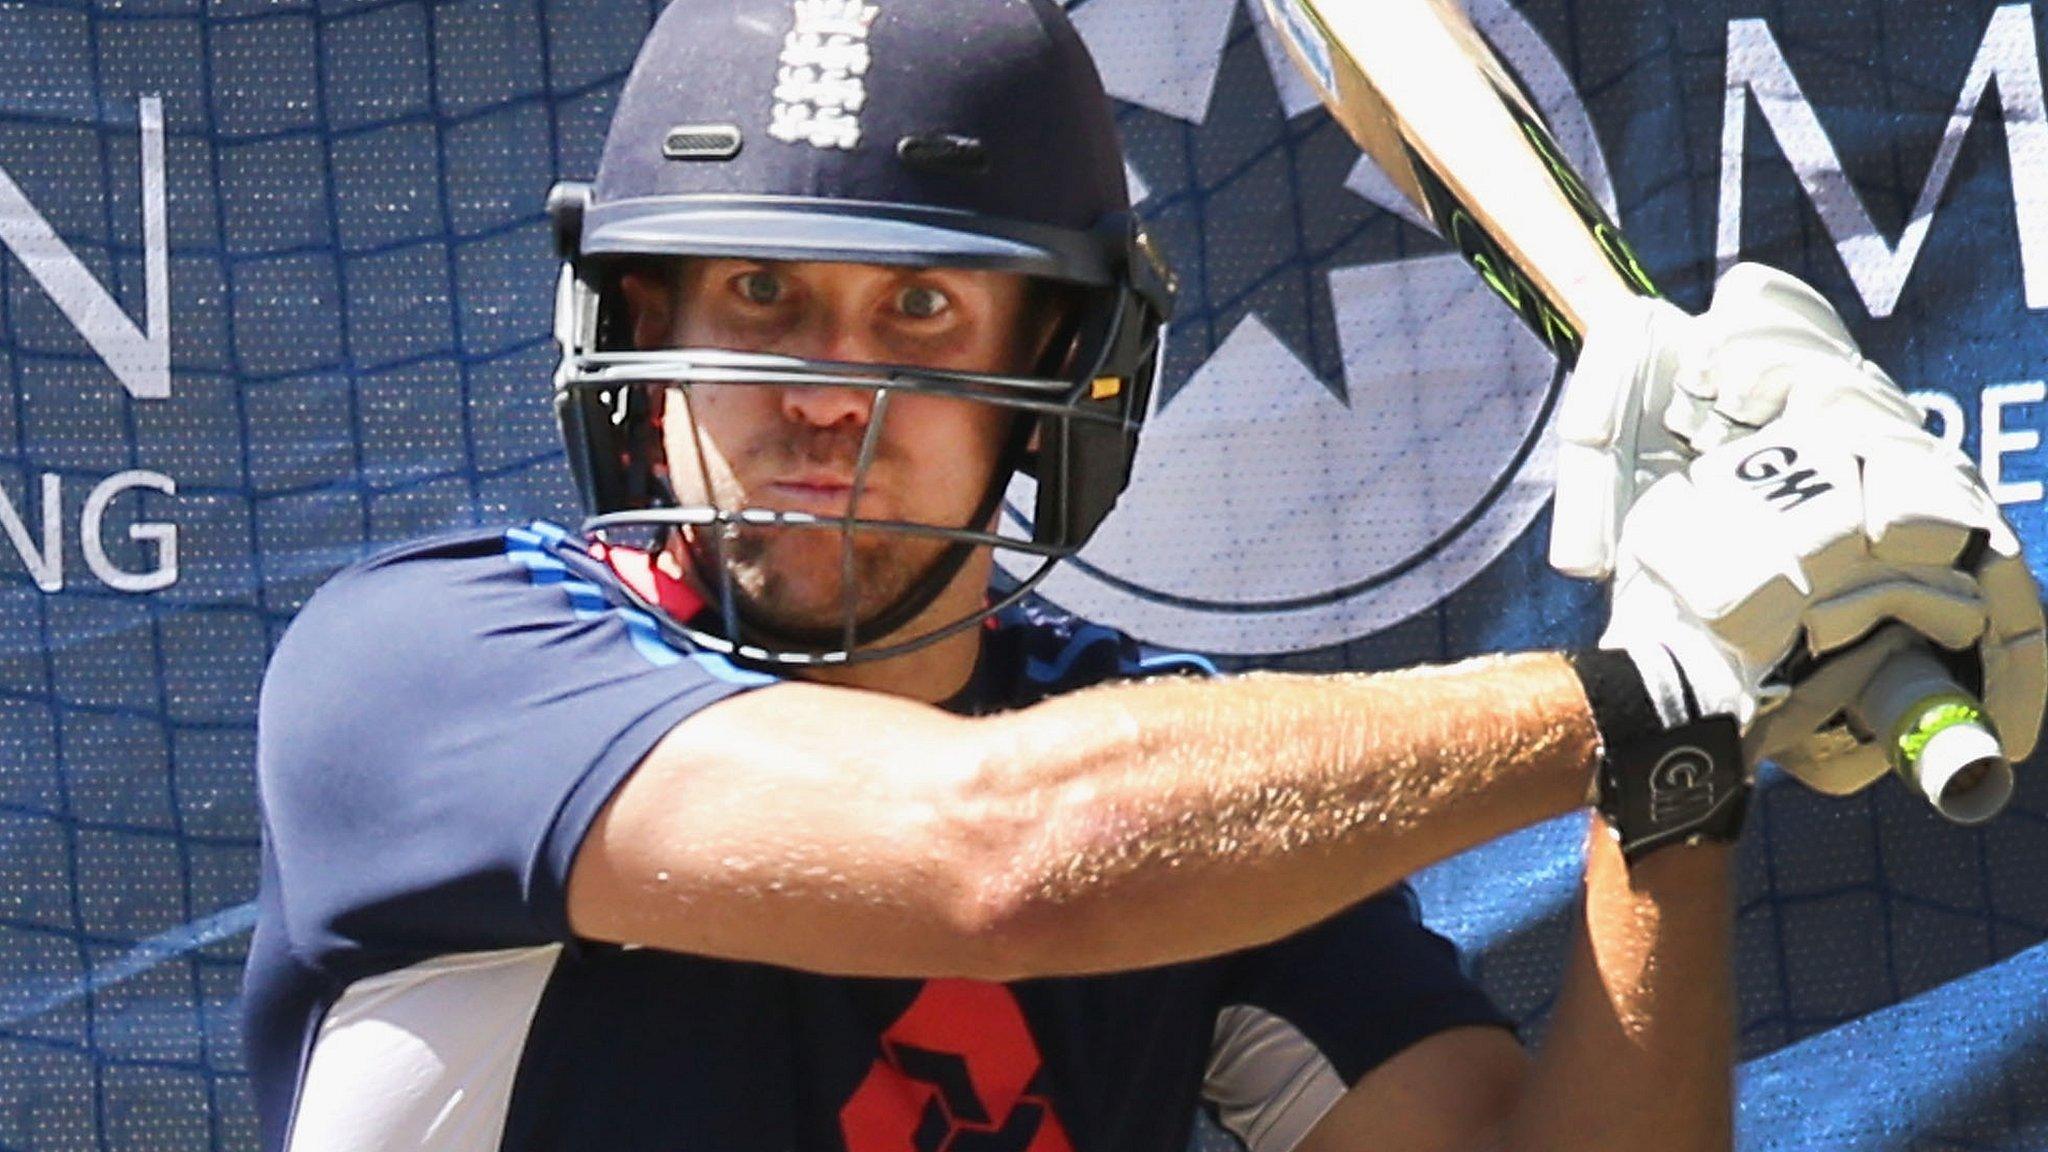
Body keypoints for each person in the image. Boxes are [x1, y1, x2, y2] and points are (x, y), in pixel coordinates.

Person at [242, 1, 2044, 1150]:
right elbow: (1000, 859)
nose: (827, 391)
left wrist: (1688, 764)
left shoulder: (1177, 789)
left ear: (1062, 368)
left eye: (921, 310)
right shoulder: (426, 666)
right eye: (760, 295)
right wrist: (1633, 692)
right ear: (642, 330)